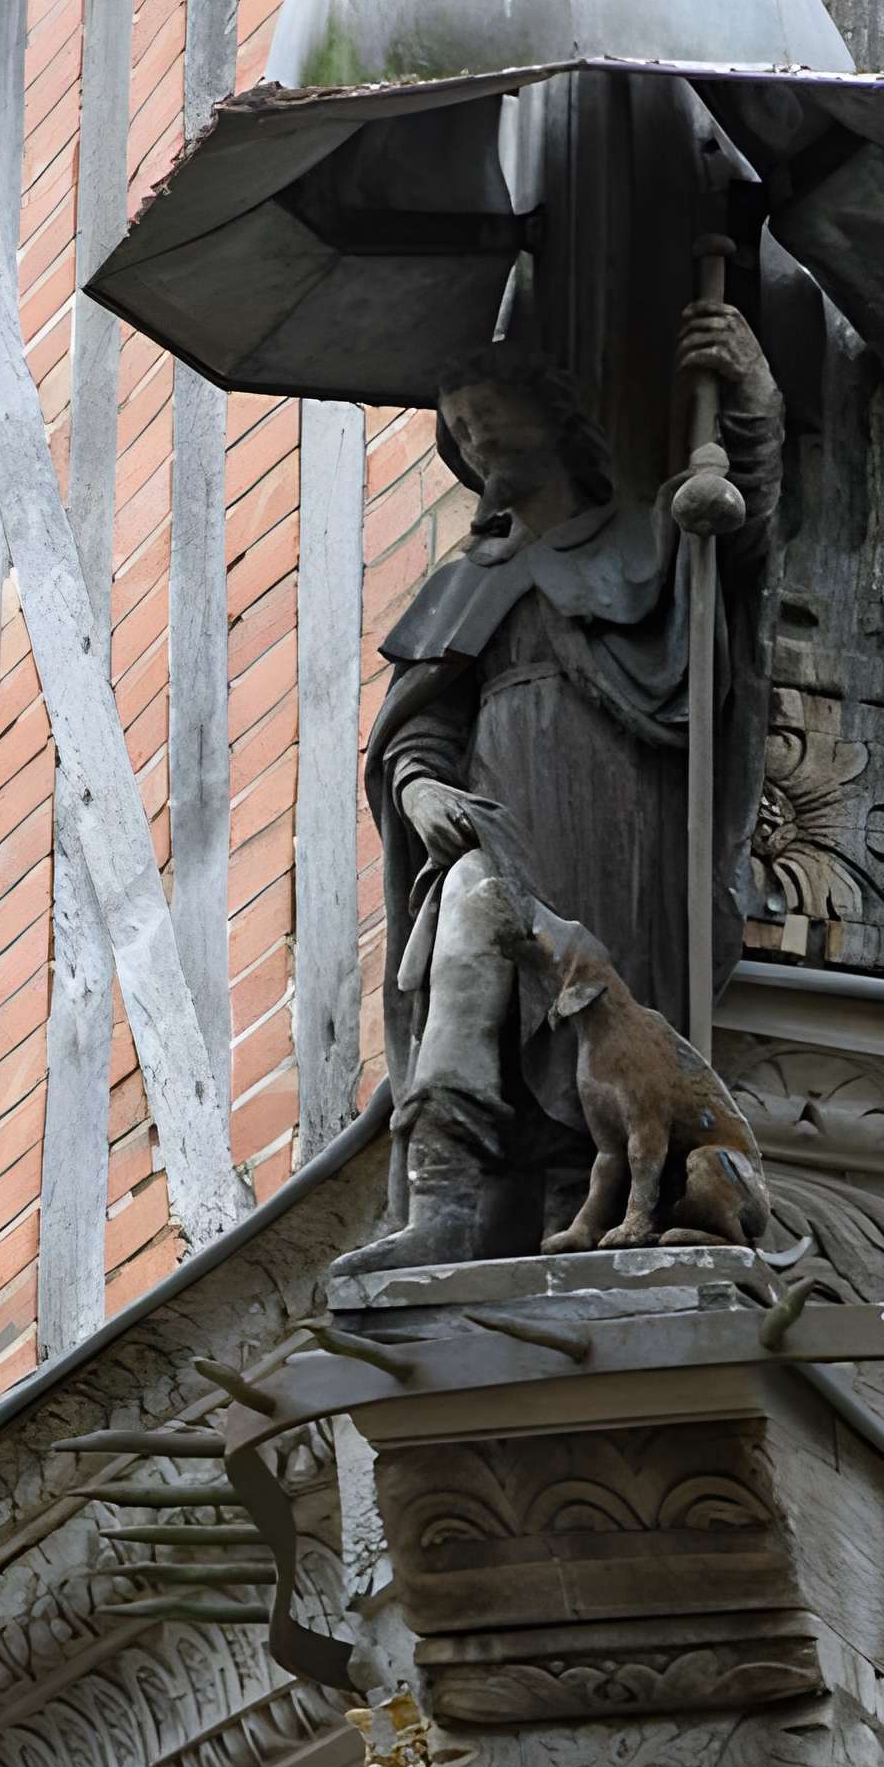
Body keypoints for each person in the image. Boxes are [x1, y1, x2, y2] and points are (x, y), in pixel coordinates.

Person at [336, 301, 783, 1275]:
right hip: (495, 810)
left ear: (559, 418)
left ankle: (576, 1196)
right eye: (458, 426)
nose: (475, 433)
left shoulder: (649, 537)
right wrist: (415, 788)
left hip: (619, 807)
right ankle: (445, 1196)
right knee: (465, 918)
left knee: (599, 1025)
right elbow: (427, 718)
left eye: (491, 410)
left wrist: (749, 399)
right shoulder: (469, 580)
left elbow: (740, 546)